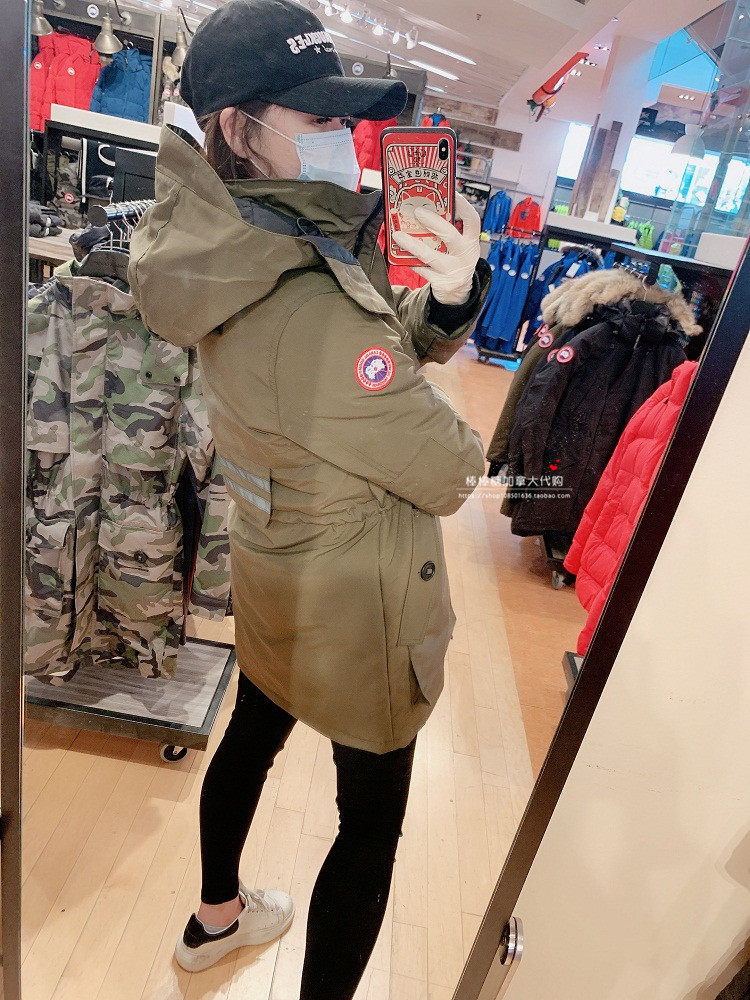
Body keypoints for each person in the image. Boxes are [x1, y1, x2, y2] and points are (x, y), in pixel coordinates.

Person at [129, 1, 491, 995]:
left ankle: (215, 919)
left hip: (276, 556)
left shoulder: (243, 242)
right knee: (370, 827)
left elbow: (373, 340)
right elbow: (452, 466)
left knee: (253, 730)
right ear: (240, 129)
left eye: (346, 118)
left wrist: (447, 298)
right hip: (359, 607)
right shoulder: (300, 294)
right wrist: (418, 387)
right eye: (319, 118)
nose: (344, 138)